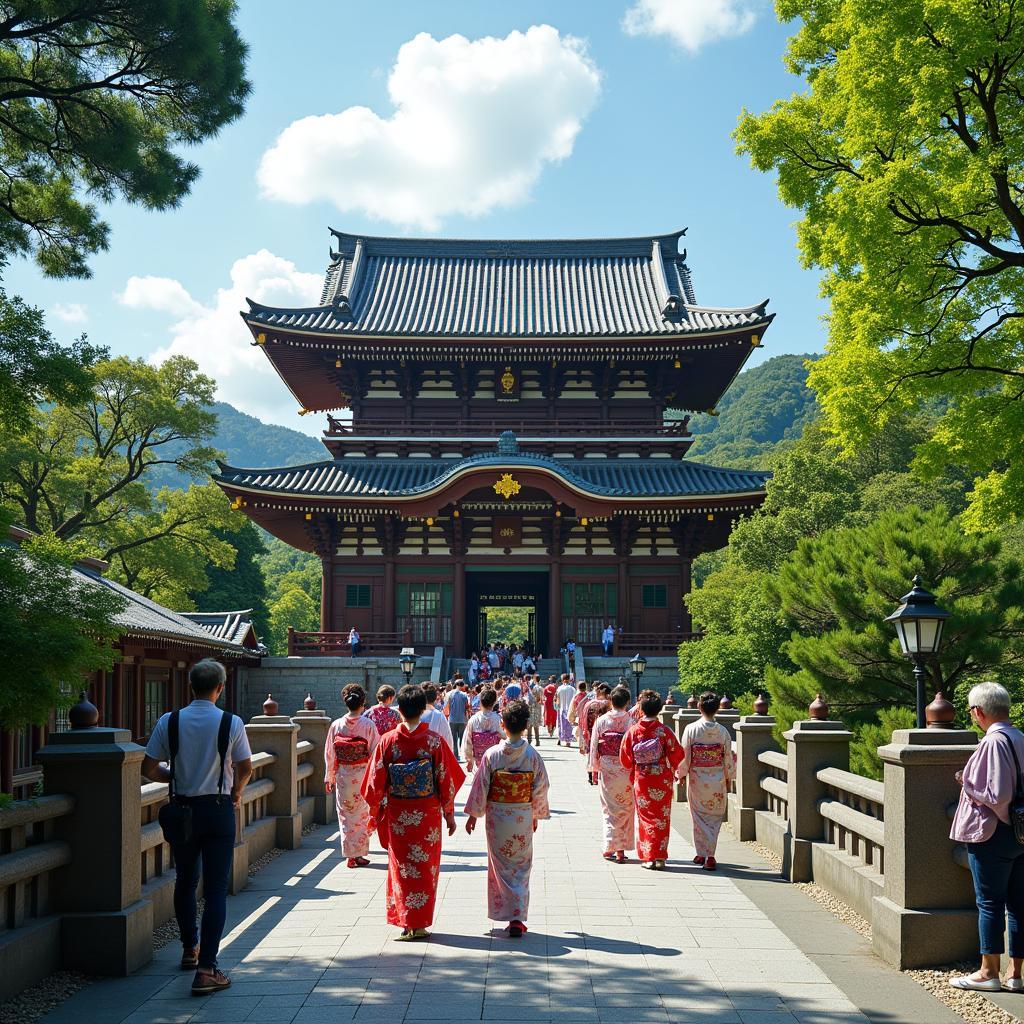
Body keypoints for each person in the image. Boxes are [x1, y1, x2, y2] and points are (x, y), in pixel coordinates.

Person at [141, 659, 253, 995]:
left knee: (186, 880)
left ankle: (189, 948)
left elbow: (148, 767)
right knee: (216, 889)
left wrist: (173, 775)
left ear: (191, 687)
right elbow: (245, 766)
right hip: (218, 810)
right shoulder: (230, 722)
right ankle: (207, 968)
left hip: (183, 810)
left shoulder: (169, 721)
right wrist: (236, 791)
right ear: (220, 688)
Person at [361, 684, 465, 941]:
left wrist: (374, 814)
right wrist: (449, 814)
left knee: (401, 867)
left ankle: (407, 922)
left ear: (400, 711)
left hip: (398, 812)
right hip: (427, 813)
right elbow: (446, 780)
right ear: (422, 709)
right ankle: (419, 923)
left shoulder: (388, 741)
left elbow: (374, 783)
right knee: (425, 866)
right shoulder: (433, 742)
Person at [949, 681, 1024, 992]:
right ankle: (1015, 975)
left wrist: (965, 782)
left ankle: (987, 972)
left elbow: (996, 794)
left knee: (990, 903)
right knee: (1020, 904)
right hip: (1021, 833)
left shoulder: (993, 743)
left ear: (977, 711)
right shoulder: (1019, 736)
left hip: (995, 833)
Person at [465, 698, 550, 938]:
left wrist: (473, 814)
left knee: (500, 866)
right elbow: (541, 788)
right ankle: (517, 917)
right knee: (521, 866)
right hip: (521, 814)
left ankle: (506, 912)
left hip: (497, 816)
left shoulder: (492, 755)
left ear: (502, 724)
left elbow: (481, 785)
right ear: (525, 726)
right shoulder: (533, 756)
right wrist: (535, 814)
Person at [620, 689, 685, 870]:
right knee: (661, 818)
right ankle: (660, 856)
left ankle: (649, 857)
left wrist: (637, 764)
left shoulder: (633, 732)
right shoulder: (664, 731)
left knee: (646, 818)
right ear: (659, 709)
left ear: (640, 709)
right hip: (662, 779)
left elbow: (625, 758)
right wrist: (671, 767)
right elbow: (677, 753)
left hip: (642, 779)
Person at [325, 684, 380, 868]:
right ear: (363, 703)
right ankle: (359, 854)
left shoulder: (336, 725)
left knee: (346, 816)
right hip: (363, 776)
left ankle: (350, 855)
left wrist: (329, 777)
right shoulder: (368, 725)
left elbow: (330, 754)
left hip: (343, 777)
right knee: (361, 816)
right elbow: (375, 754)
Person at [680, 691, 734, 872]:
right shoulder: (723, 732)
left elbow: (685, 756)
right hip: (717, 779)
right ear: (717, 708)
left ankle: (706, 854)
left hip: (696, 779)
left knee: (698, 816)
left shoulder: (691, 729)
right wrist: (729, 778)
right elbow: (728, 758)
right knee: (714, 818)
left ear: (699, 707)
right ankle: (706, 854)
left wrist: (680, 775)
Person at [589, 686, 636, 864]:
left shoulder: (602, 721)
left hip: (607, 768)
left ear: (611, 701)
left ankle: (610, 846)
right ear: (627, 702)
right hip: (626, 768)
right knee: (626, 809)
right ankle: (621, 850)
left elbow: (594, 746)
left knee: (609, 809)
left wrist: (594, 768)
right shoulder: (631, 722)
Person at [463, 687, 504, 771]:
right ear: (494, 702)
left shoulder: (473, 719)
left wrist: (469, 759)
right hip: (494, 759)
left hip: (479, 759)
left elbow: (467, 741)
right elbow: (504, 737)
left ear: (480, 701)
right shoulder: (498, 719)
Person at [581, 683, 612, 784]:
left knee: (592, 752)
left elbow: (583, 718)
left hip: (590, 731)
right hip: (605, 732)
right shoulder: (608, 704)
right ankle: (598, 775)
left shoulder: (590, 703)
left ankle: (591, 775)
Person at [420, 682, 454, 750]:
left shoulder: (413, 713)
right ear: (435, 698)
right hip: (433, 755)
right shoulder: (439, 716)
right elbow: (448, 740)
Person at [444, 680, 470, 761]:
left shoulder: (449, 694)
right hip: (462, 719)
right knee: (463, 738)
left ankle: (456, 756)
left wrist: (447, 715)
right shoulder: (464, 695)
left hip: (452, 719)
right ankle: (464, 755)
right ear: (462, 686)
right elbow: (467, 707)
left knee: (454, 739)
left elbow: (446, 707)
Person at [556, 674, 576, 746]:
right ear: (569, 679)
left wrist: (557, 707)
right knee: (569, 725)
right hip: (570, 709)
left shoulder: (559, 688)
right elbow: (575, 700)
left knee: (561, 724)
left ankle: (560, 738)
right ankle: (568, 741)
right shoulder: (572, 689)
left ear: (562, 680)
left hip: (561, 709)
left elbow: (557, 700)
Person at [527, 676, 543, 746]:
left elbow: (538, 698)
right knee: (536, 725)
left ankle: (530, 740)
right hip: (537, 707)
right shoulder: (540, 687)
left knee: (530, 725)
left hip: (532, 707)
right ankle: (537, 740)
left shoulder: (535, 688)